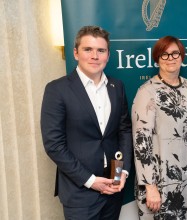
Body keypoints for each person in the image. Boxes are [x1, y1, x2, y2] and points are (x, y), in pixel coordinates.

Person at [41, 25, 132, 220]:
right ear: (76, 53)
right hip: (80, 192)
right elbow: (54, 145)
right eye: (87, 49)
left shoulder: (117, 87)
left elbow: (124, 131)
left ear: (108, 55)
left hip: (113, 190)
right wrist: (90, 181)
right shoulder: (57, 90)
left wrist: (120, 174)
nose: (95, 56)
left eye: (101, 50)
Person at [131, 36, 187, 220]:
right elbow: (141, 142)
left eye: (175, 53)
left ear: (182, 56)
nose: (170, 58)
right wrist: (150, 187)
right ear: (157, 58)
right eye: (164, 54)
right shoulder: (146, 91)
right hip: (162, 184)